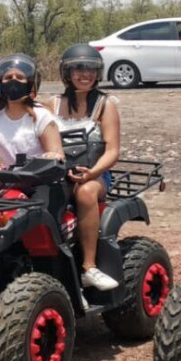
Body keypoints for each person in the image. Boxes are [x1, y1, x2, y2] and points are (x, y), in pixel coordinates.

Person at [44, 44, 122, 291]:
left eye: (90, 69)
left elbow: (112, 151)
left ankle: (89, 267)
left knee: (86, 192)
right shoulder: (50, 105)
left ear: (98, 73)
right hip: (58, 171)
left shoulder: (105, 104)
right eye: (78, 68)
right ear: (67, 72)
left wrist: (93, 172)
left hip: (94, 173)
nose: (85, 74)